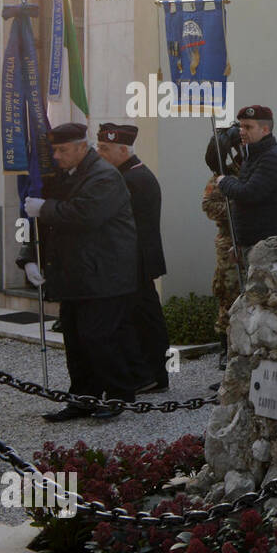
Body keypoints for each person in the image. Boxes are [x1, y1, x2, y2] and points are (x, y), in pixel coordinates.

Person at [20, 123, 142, 420]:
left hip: (103, 274)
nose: (57, 156)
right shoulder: (71, 174)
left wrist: (45, 208)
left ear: (80, 147)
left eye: (62, 150)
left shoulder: (103, 176)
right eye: (55, 150)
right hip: (77, 273)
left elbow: (84, 215)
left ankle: (118, 395)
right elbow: (52, 224)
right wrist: (29, 257)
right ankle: (82, 398)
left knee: (99, 338)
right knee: (75, 340)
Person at [95, 122, 170, 393]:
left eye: (105, 148)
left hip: (135, 259)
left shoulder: (132, 179)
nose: (99, 153)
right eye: (99, 146)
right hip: (133, 258)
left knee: (141, 317)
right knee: (141, 315)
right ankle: (150, 374)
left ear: (123, 149)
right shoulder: (128, 175)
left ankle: (149, 374)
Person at [215, 105, 277, 268]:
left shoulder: (272, 158)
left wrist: (224, 181)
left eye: (248, 127)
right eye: (241, 126)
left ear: (265, 129)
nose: (241, 131)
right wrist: (239, 244)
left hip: (267, 248)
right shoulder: (252, 156)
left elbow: (248, 193)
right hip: (253, 246)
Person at [202, 125, 242, 365]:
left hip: (254, 241)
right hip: (229, 241)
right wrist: (237, 210)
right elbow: (208, 205)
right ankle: (226, 348)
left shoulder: (252, 169)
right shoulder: (222, 176)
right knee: (228, 293)